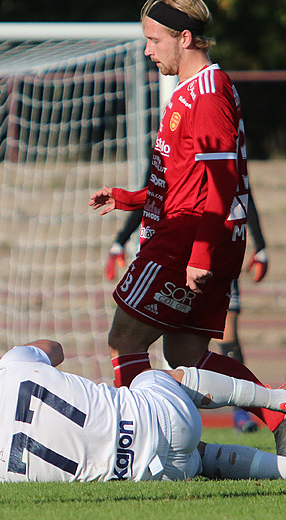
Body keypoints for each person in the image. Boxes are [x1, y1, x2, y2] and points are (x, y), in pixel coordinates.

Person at [88, 0, 286, 458]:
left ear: (184, 37)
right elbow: (184, 176)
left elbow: (222, 181)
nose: (148, 50)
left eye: (154, 39)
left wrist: (200, 254)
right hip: (195, 234)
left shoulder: (207, 95)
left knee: (124, 339)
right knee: (187, 357)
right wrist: (129, 198)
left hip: (186, 238)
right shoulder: (195, 90)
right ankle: (281, 412)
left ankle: (137, 443)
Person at [0, 342, 286, 483]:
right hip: (166, 415)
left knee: (202, 458)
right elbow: (54, 350)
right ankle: (279, 399)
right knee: (158, 377)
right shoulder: (10, 371)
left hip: (152, 472)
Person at [104, 169, 270, 433]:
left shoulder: (205, 131)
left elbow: (231, 190)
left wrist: (259, 246)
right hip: (195, 248)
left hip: (191, 250)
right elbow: (159, 190)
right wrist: (121, 236)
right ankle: (278, 408)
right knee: (182, 354)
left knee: (128, 340)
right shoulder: (172, 139)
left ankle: (138, 428)